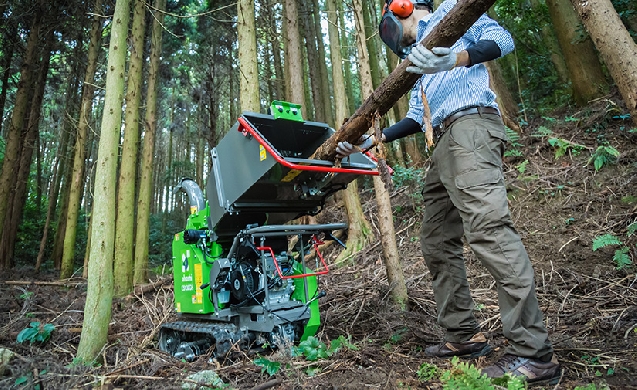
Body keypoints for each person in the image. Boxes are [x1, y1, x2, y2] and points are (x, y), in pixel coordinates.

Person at [336, 0, 561, 384]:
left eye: (390, 23)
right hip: (442, 141)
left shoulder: (450, 15)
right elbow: (411, 118)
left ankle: (533, 354)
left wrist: (455, 58)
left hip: (471, 126)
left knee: (489, 229)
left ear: (404, 7)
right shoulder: (417, 62)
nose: (390, 36)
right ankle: (464, 336)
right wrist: (371, 141)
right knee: (436, 241)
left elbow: (502, 39)